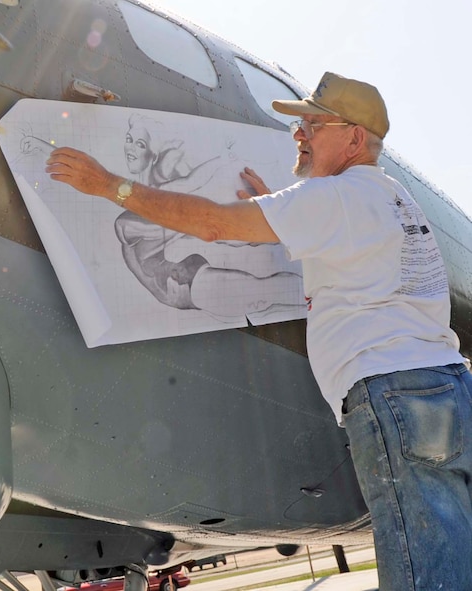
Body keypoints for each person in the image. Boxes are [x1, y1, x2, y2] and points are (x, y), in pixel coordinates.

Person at [45, 71, 471, 590]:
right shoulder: (388, 196)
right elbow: (340, 246)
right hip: (444, 388)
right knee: (449, 551)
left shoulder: (335, 200)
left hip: (391, 394)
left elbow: (213, 227)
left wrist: (109, 184)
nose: (300, 134)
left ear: (354, 138)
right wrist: (277, 207)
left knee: (421, 569)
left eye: (313, 124)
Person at [118, 113, 305, 318]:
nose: (132, 148)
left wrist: (223, 160)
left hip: (186, 279)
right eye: (129, 140)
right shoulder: (133, 223)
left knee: (278, 288)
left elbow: (191, 184)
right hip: (183, 285)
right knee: (276, 291)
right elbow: (199, 207)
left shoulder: (166, 200)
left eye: (141, 144)